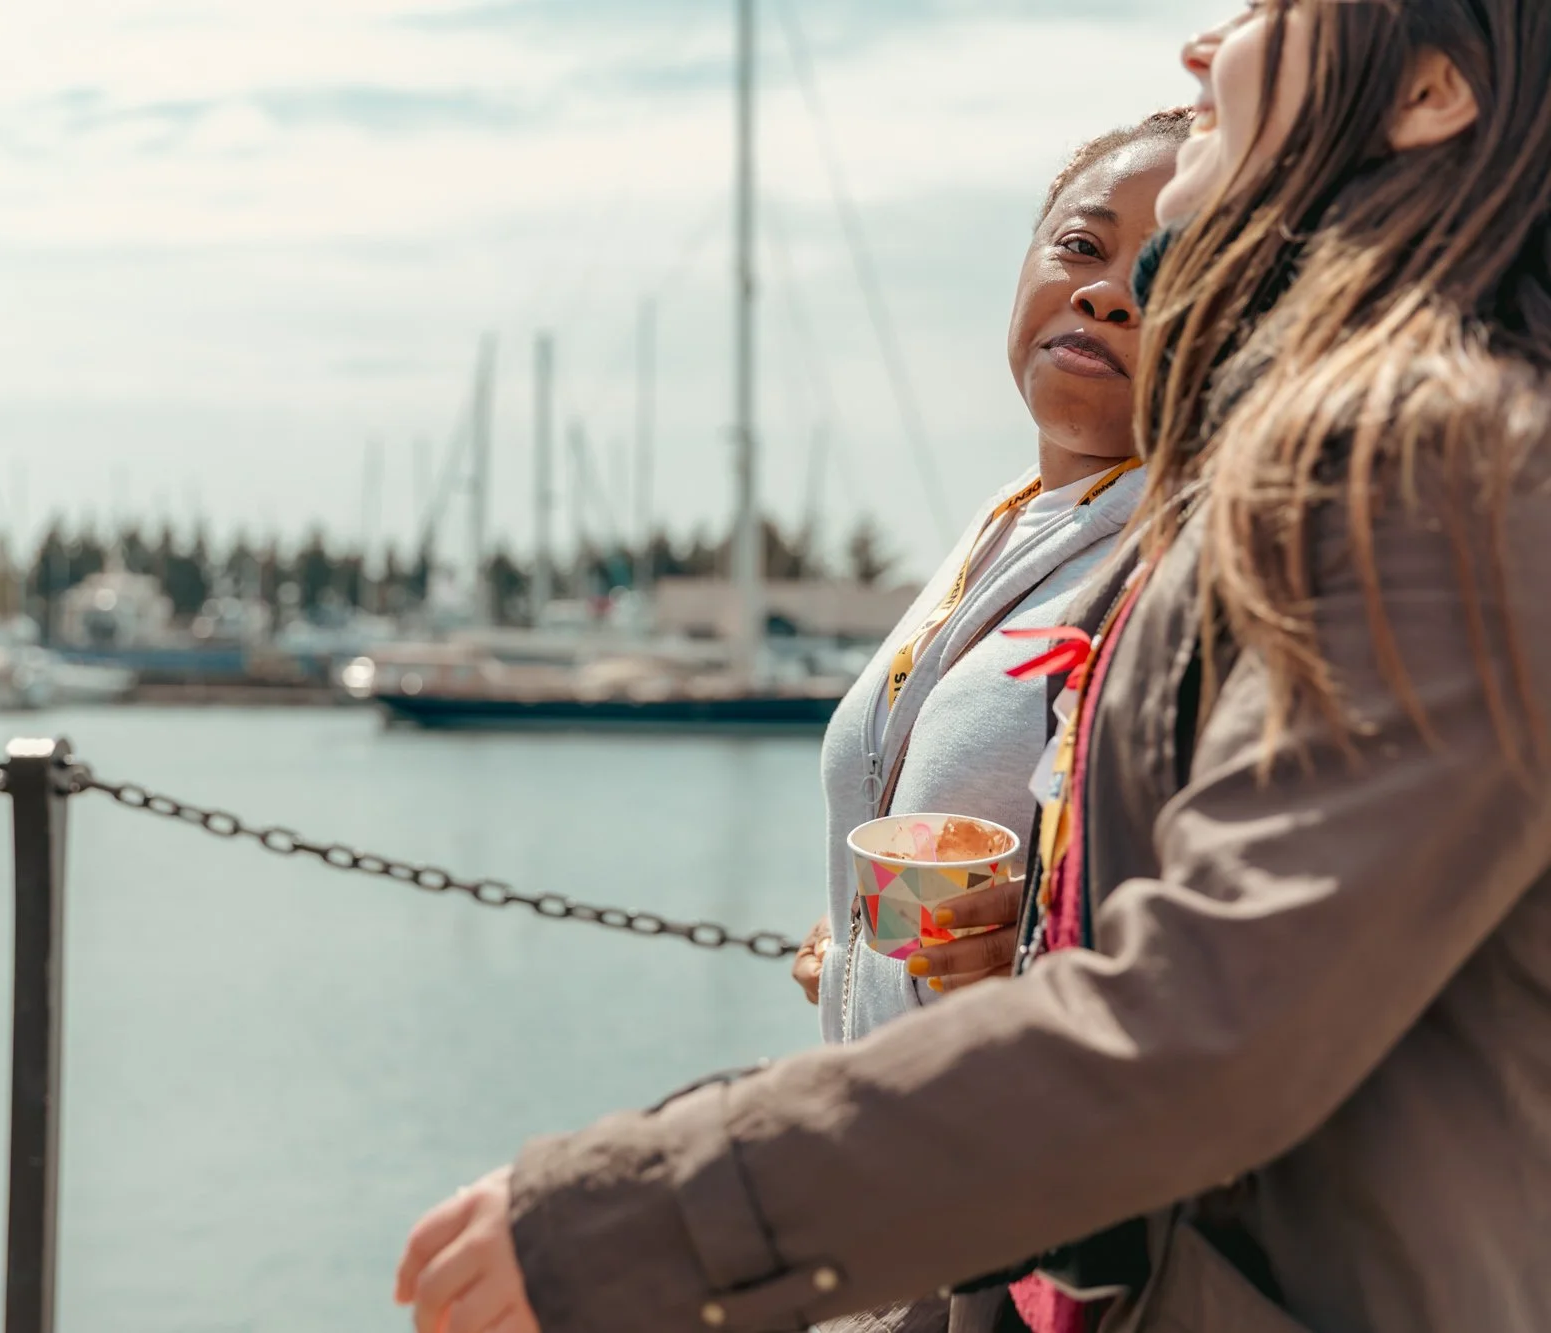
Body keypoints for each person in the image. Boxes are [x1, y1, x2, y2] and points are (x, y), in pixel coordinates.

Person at [395, 2, 1551, 1331]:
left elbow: (1201, 1029)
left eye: (1270, 10)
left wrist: (644, 1215)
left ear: (1427, 96)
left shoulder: (1441, 470)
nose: (1200, 47)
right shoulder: (1329, 461)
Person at [797, 110, 1189, 1042]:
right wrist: (856, 955)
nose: (1105, 295)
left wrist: (1048, 938)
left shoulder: (1194, 552)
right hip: (895, 1147)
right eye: (1081, 244)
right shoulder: (1009, 518)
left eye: (1167, 273)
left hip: (1029, 1161)